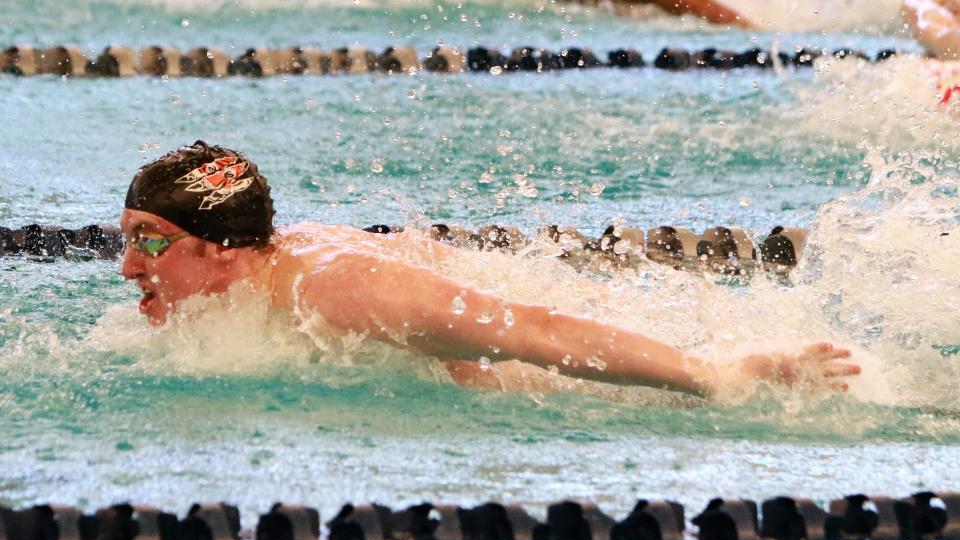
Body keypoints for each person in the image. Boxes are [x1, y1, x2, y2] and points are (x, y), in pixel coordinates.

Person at [121, 141, 860, 398]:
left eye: (149, 242)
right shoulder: (252, 279)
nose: (127, 267)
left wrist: (715, 374)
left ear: (218, 245)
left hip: (564, 379)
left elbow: (531, 329)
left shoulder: (335, 290)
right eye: (126, 239)